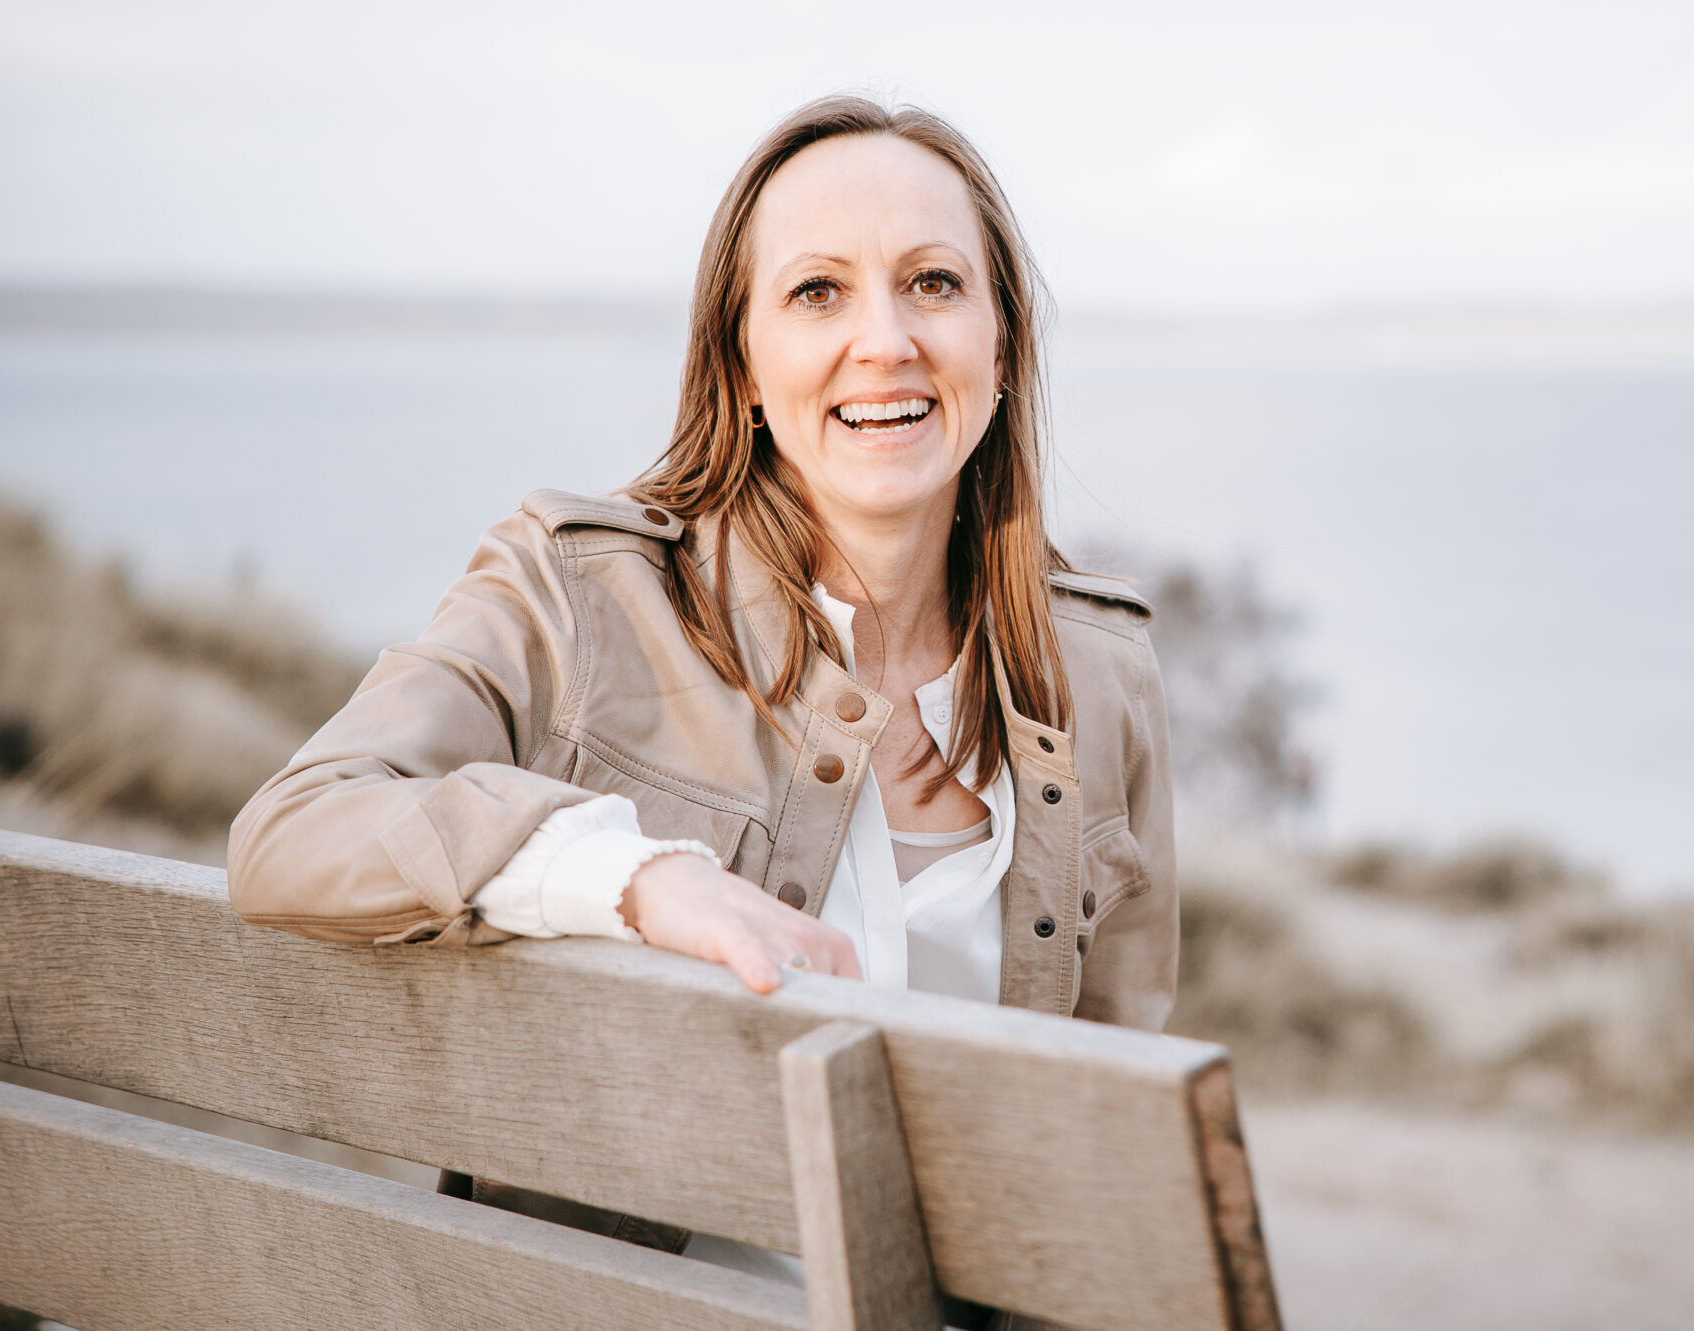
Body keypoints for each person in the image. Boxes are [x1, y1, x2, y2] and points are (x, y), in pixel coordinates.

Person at [226, 96, 1177, 1267]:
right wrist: (635, 878)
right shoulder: (574, 594)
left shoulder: (1102, 672)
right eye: (816, 291)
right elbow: (294, 827)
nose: (884, 339)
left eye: (933, 283)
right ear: (742, 359)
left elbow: (1116, 1133)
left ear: (1001, 344)